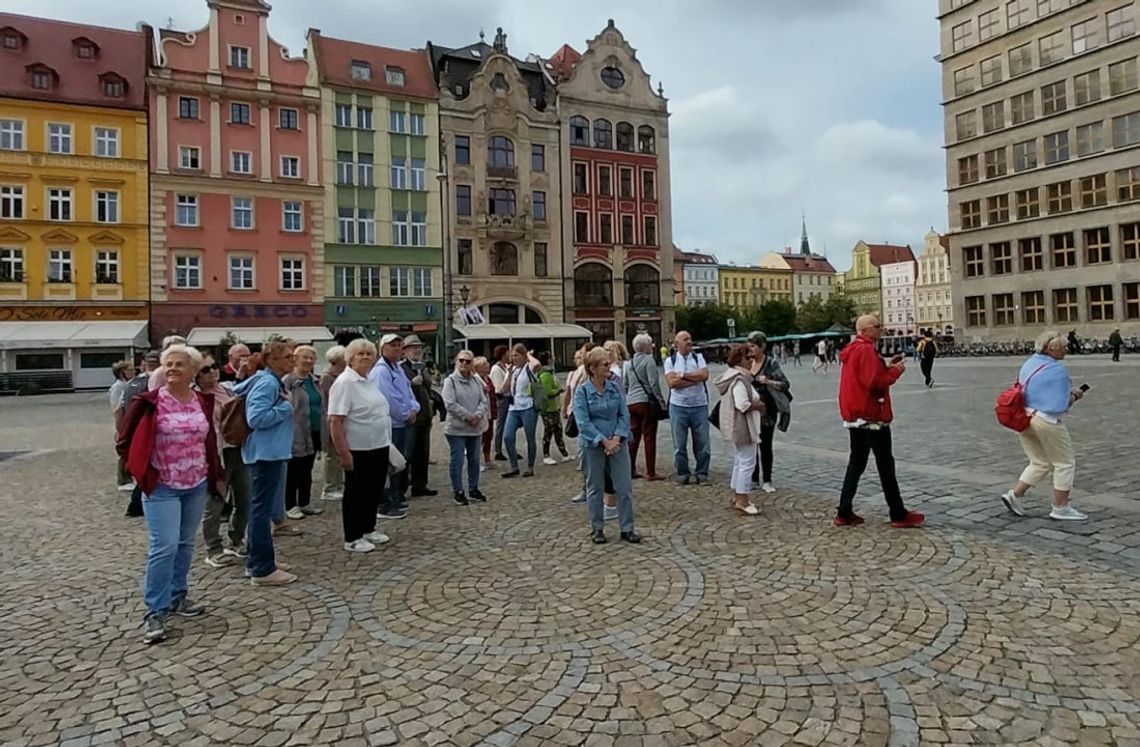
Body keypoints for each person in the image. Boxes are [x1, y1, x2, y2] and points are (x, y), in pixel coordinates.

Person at [116, 344, 222, 644]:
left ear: (192, 371)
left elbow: (208, 438)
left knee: (186, 543)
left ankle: (178, 596)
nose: (172, 369)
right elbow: (124, 440)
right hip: (162, 486)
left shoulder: (202, 400)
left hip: (196, 481)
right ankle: (155, 611)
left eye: (179, 364)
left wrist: (214, 472)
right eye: (169, 364)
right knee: (164, 545)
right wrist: (141, 470)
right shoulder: (149, 401)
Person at [834, 315, 925, 529]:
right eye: (877, 326)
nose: (881, 329)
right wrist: (895, 371)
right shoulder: (865, 349)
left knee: (856, 464)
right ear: (865, 330)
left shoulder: (855, 349)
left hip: (856, 416)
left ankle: (844, 511)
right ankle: (898, 513)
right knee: (885, 465)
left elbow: (867, 375)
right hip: (871, 416)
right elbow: (874, 382)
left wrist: (885, 366)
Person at [1000, 331, 1089, 521]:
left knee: (1040, 462)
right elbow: (1061, 404)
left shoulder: (1030, 363)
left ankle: (1014, 495)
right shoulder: (1057, 370)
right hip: (1046, 421)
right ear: (1051, 349)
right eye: (1064, 347)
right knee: (1064, 463)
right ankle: (1060, 507)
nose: (1067, 350)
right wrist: (1075, 395)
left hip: (1025, 417)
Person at [233, 340, 298, 586]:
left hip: (269, 452)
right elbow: (256, 418)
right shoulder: (268, 382)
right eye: (288, 357)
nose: (293, 360)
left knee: (261, 509)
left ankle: (258, 561)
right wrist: (286, 407)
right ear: (272, 360)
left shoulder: (270, 381)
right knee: (260, 511)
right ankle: (262, 568)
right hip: (265, 454)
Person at [328, 339, 394, 553]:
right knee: (356, 493)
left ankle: (368, 527)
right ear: (350, 358)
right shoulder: (345, 383)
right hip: (358, 448)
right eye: (360, 354)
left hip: (378, 445)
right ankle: (353, 535)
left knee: (373, 490)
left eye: (368, 353)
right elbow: (335, 420)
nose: (365, 357)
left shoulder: (368, 380)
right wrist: (343, 453)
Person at [574, 347, 640, 545]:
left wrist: (617, 438)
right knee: (595, 487)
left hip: (617, 443)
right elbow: (583, 422)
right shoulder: (583, 392)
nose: (609, 368)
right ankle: (597, 528)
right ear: (592, 368)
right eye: (605, 365)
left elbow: (623, 414)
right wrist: (603, 440)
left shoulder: (614, 388)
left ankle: (627, 528)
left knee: (624, 486)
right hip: (593, 445)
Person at [195, 355, 250, 569]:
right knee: (216, 500)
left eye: (214, 367)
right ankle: (213, 548)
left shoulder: (226, 389)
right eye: (206, 369)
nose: (212, 372)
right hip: (216, 453)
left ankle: (236, 540)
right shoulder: (196, 397)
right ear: (197, 375)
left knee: (244, 496)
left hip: (237, 448)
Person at [368, 334, 416, 519]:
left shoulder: (398, 368)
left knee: (399, 462)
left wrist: (414, 408)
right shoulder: (381, 371)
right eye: (392, 345)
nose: (397, 348)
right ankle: (386, 501)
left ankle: (395, 496)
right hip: (390, 423)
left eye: (399, 345)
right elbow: (388, 398)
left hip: (401, 422)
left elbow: (408, 391)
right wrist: (405, 414)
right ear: (382, 349)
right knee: (390, 464)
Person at [714, 345, 765, 516]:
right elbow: (742, 404)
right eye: (748, 358)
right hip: (743, 426)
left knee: (740, 461)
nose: (752, 360)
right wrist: (759, 406)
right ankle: (742, 499)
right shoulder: (739, 379)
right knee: (747, 463)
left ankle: (738, 495)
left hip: (738, 425)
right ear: (739, 360)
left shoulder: (737, 377)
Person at [442, 349, 490, 505]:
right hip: (456, 429)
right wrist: (467, 416)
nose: (464, 363)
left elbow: (484, 401)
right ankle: (458, 490)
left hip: (474, 429)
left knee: (474, 460)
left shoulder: (476, 381)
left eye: (467, 361)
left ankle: (473, 488)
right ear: (456, 362)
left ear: (472, 365)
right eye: (461, 360)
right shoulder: (450, 381)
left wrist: (477, 415)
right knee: (457, 460)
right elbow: (450, 403)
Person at [282, 346, 324, 520]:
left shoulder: (315, 381)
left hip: (314, 430)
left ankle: (304, 502)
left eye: (311, 358)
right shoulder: (288, 381)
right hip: (295, 431)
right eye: (304, 357)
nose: (308, 361)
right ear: (295, 359)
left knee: (307, 469)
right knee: (293, 470)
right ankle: (289, 504)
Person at [665, 331, 711, 486]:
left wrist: (683, 376)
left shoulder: (699, 358)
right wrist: (694, 380)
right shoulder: (670, 361)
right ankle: (683, 473)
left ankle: (702, 473)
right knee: (679, 443)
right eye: (685, 339)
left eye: (690, 338)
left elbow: (704, 375)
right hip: (678, 407)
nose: (689, 341)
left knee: (703, 442)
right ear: (677, 344)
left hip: (699, 406)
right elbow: (672, 383)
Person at [747, 331, 790, 494]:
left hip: (767, 409)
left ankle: (767, 479)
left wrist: (768, 381)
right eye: (749, 346)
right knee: (751, 444)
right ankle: (753, 478)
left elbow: (785, 384)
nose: (750, 349)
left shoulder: (770, 363)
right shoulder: (747, 363)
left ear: (762, 347)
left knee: (765, 445)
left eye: (753, 346)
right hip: (750, 409)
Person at [120, 350, 161, 517]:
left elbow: (120, 409)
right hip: (149, 431)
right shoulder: (155, 382)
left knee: (142, 469)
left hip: (135, 431)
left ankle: (136, 506)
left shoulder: (132, 383)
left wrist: (122, 431)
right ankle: (137, 505)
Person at [399, 335, 438, 498]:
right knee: (407, 454)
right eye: (413, 347)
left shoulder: (423, 367)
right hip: (411, 418)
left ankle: (419, 485)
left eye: (419, 347)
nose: (417, 350)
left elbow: (429, 388)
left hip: (425, 416)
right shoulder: (401, 369)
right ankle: (400, 489)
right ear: (405, 351)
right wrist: (411, 383)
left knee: (423, 453)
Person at [624, 333, 666, 481]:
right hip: (645, 403)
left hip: (631, 403)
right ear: (645, 346)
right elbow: (653, 383)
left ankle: (630, 469)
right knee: (649, 437)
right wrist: (661, 400)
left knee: (633, 438)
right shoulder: (649, 360)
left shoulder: (628, 364)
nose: (652, 346)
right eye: (651, 344)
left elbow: (625, 385)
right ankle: (650, 472)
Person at [502, 344, 542, 478]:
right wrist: (509, 374)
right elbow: (503, 389)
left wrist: (529, 355)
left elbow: (537, 364)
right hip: (514, 407)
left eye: (517, 355)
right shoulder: (512, 369)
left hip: (528, 406)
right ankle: (514, 466)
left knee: (530, 437)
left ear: (523, 356)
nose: (514, 358)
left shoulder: (529, 368)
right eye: (512, 355)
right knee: (507, 436)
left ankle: (530, 466)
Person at [565, 343, 596, 503]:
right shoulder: (578, 371)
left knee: (590, 457)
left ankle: (599, 491)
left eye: (583, 353)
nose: (580, 355)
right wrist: (566, 408)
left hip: (591, 420)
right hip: (578, 416)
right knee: (584, 457)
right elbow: (570, 391)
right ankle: (587, 488)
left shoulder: (593, 374)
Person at [319, 346, 347, 500]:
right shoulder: (327, 377)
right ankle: (330, 486)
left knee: (339, 454)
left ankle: (338, 483)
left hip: (341, 418)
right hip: (331, 419)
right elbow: (327, 400)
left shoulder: (341, 375)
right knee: (332, 455)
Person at [535, 351, 570, 465]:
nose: (554, 359)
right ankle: (546, 455)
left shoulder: (550, 373)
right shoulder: (545, 374)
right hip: (548, 409)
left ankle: (564, 453)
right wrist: (559, 390)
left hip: (554, 408)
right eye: (552, 357)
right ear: (548, 359)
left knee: (558, 431)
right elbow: (547, 392)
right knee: (548, 432)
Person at [109, 360, 135, 491]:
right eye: (129, 370)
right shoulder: (118, 387)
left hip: (127, 420)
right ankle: (123, 479)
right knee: (124, 450)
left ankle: (128, 476)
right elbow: (117, 408)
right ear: (122, 372)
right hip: (123, 421)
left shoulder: (127, 385)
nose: (133, 372)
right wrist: (119, 427)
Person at [490, 345, 513, 461]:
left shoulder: (505, 367)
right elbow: (499, 389)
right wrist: (509, 375)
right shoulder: (496, 369)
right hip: (502, 399)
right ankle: (497, 450)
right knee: (501, 425)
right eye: (508, 353)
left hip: (509, 398)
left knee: (509, 425)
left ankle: (510, 449)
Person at [474, 357, 497, 471]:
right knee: (480, 437)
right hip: (480, 411)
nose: (487, 366)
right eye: (484, 364)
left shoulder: (488, 378)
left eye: (487, 363)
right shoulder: (475, 379)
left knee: (489, 435)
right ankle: (476, 461)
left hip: (489, 411)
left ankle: (487, 459)